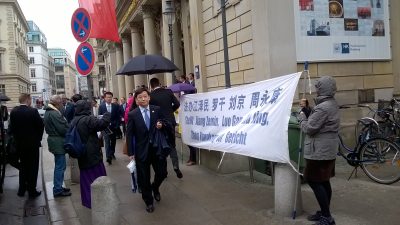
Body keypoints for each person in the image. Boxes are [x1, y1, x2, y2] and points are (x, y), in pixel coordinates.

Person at [298, 76, 339, 225]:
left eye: (318, 88)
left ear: (323, 89)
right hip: (327, 149)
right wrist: (308, 109)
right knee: (323, 180)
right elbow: (318, 120)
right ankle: (324, 211)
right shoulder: (330, 103)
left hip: (319, 152)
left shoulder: (324, 107)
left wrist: (302, 116)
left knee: (313, 180)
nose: (316, 90)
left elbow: (309, 128)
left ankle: (327, 217)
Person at [127, 88, 168, 213]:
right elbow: (129, 134)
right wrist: (131, 152)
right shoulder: (133, 114)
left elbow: (165, 122)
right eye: (140, 97)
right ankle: (148, 201)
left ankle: (155, 187)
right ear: (136, 100)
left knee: (162, 173)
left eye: (145, 96)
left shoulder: (157, 109)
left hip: (157, 149)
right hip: (141, 151)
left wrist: (161, 124)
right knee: (144, 178)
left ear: (149, 97)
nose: (143, 99)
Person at [73, 100, 111, 208]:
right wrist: (107, 114)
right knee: (98, 178)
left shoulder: (75, 120)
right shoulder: (88, 119)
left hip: (82, 154)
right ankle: (98, 201)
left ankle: (87, 201)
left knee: (85, 179)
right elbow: (102, 124)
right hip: (92, 154)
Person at [9, 93, 44, 198]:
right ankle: (32, 190)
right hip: (32, 145)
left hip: (20, 145)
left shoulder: (14, 112)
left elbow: (12, 128)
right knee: (33, 168)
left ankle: (21, 189)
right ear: (28, 100)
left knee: (23, 167)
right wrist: (38, 138)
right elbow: (40, 126)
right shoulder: (32, 111)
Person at [149, 78, 182, 178]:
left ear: (151, 86)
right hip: (170, 122)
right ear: (160, 83)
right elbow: (177, 104)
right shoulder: (168, 92)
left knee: (162, 145)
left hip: (159, 123)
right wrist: (170, 111)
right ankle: (176, 166)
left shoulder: (151, 96)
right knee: (172, 145)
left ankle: (164, 171)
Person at [43, 95, 72, 197]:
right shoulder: (54, 113)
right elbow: (62, 129)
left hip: (55, 141)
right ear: (57, 103)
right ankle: (58, 189)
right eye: (60, 103)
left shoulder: (49, 111)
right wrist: (69, 131)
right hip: (57, 141)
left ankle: (58, 187)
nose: (62, 105)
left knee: (60, 166)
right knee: (60, 166)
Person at [98, 91, 120, 165]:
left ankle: (112, 153)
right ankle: (108, 157)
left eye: (110, 97)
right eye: (107, 97)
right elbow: (99, 117)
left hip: (113, 127)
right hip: (105, 128)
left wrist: (117, 125)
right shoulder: (101, 106)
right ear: (104, 98)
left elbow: (118, 117)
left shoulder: (116, 106)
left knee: (113, 141)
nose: (109, 98)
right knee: (107, 142)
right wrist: (101, 127)